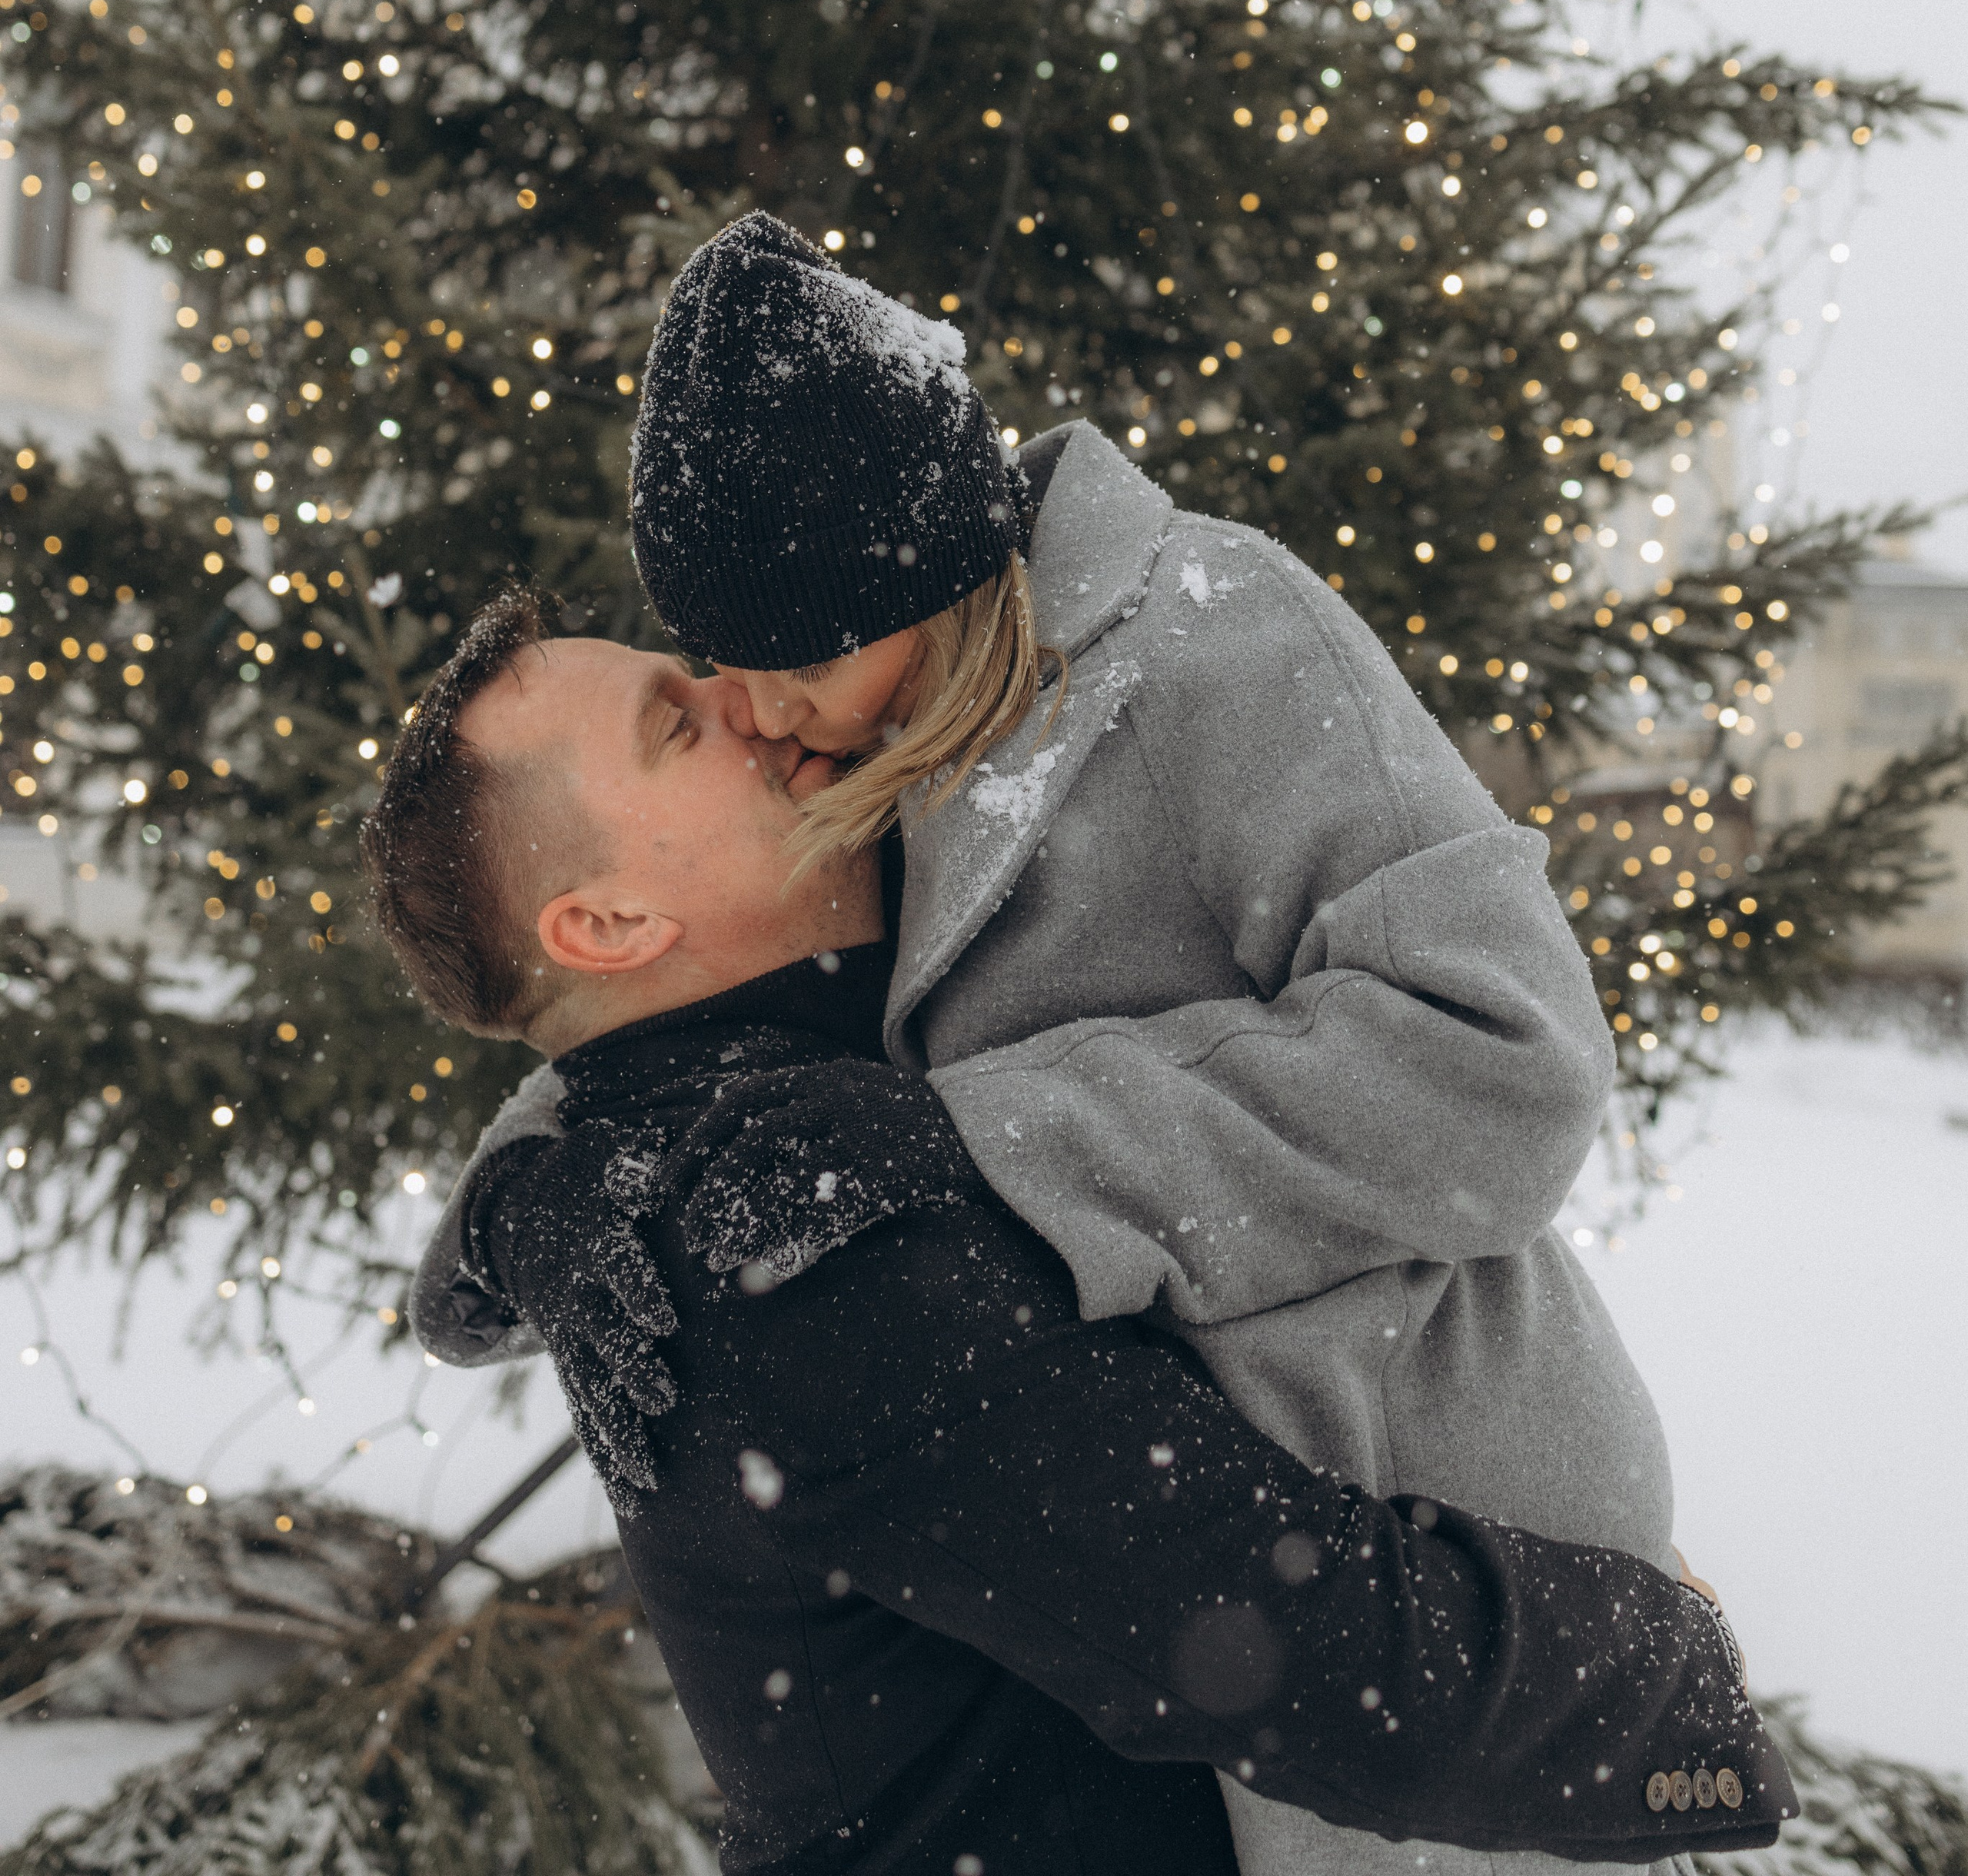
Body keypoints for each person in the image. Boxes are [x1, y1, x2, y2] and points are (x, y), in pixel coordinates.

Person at [367, 588, 1792, 1876]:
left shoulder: (715, 1139)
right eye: (674, 724)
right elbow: (1274, 1642)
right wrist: (1678, 1672)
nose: (746, 695)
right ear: (607, 923)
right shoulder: (774, 1239)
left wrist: (514, 1203)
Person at [626, 215, 1707, 1876]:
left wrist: (997, 1138)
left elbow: (1506, 1064)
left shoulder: (1216, 639)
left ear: (916, 573)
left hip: (1455, 1558)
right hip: (1209, 1621)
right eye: (717, 659)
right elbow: (693, 987)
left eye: (790, 654)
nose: (753, 708)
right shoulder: (861, 737)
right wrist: (545, 1183)